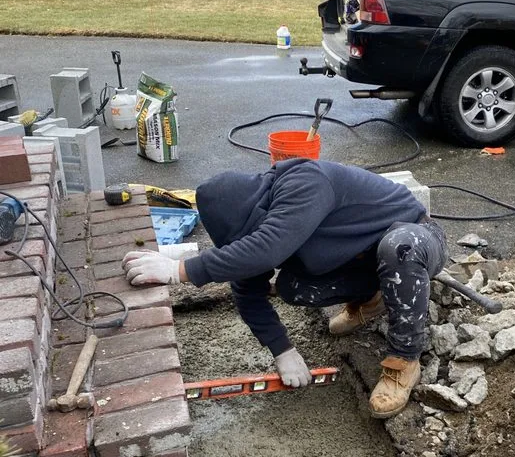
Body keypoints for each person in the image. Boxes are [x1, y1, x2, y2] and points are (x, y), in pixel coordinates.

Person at [122, 159, 448, 419]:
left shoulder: (303, 181)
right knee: (293, 287)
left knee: (397, 247)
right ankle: (371, 299)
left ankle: (404, 361)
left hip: (416, 239)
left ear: (256, 213)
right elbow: (246, 289)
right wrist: (283, 351)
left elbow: (267, 248)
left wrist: (181, 270)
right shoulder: (258, 221)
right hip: (362, 263)